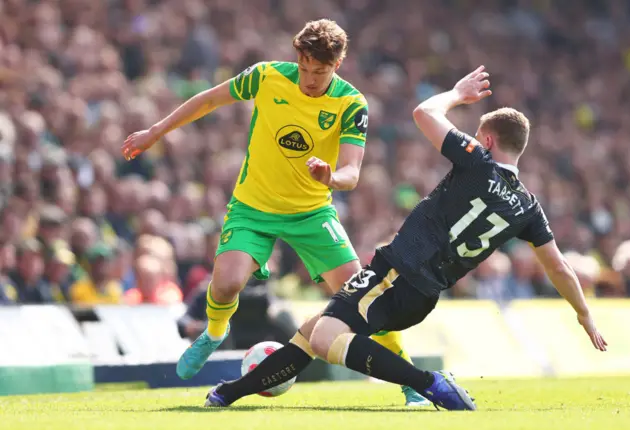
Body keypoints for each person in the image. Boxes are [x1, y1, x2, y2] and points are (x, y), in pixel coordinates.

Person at [202, 66, 608, 411]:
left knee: (326, 336)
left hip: (396, 273)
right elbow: (558, 265)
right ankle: (226, 395)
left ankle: (429, 384)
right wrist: (584, 314)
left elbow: (424, 111)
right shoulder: (528, 207)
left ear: (485, 140)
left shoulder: (477, 162)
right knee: (313, 331)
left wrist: (457, 94)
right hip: (424, 295)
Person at [121, 19, 429, 406]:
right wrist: (155, 131)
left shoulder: (351, 104)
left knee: (365, 300)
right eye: (304, 68)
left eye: (320, 71)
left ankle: (411, 382)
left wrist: (330, 176)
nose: (310, 79)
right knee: (227, 284)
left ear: (337, 64)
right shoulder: (266, 76)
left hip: (312, 213)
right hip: (254, 207)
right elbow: (209, 99)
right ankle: (214, 332)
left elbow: (352, 172)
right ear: (296, 58)